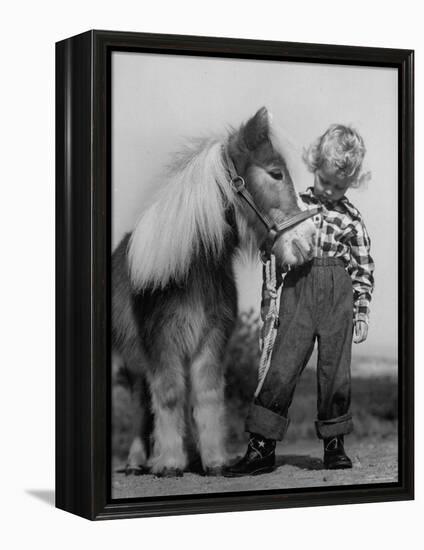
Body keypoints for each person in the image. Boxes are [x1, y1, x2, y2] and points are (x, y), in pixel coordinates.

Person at [224, 124, 375, 476]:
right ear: (314, 166)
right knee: (282, 365)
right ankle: (262, 447)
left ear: (351, 183)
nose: (332, 191)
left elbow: (363, 269)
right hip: (297, 290)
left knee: (336, 372)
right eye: (326, 181)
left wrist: (362, 311)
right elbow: (273, 238)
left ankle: (334, 445)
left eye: (341, 186)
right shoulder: (298, 205)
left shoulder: (353, 220)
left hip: (339, 295)